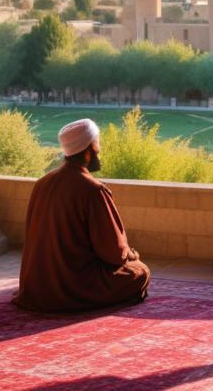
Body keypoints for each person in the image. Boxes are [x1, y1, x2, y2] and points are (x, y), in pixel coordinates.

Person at [12, 119, 150, 312]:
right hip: (74, 284)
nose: (100, 150)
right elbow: (114, 253)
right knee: (140, 272)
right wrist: (131, 255)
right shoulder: (93, 190)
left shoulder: (42, 183)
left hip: (38, 285)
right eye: (98, 143)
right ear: (89, 148)